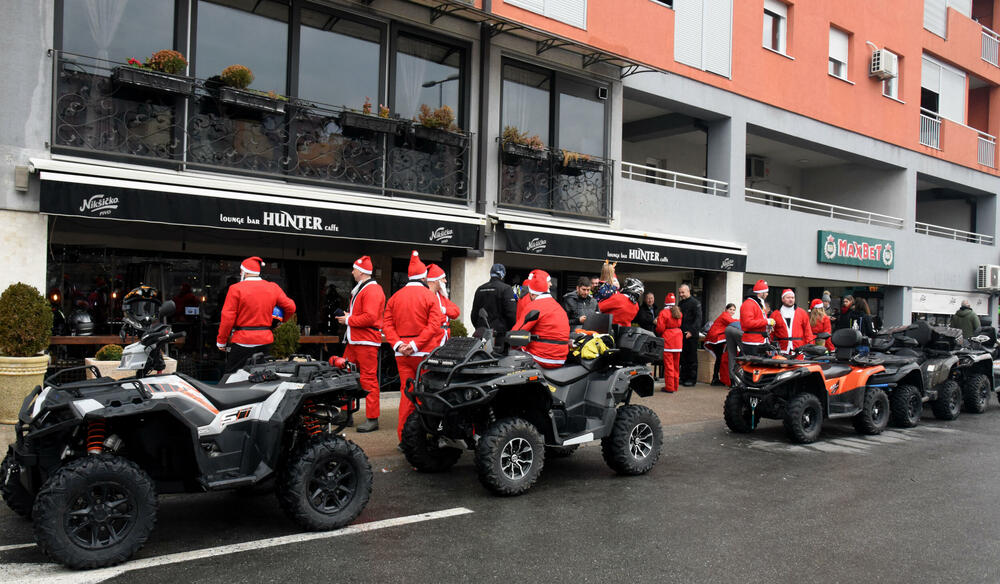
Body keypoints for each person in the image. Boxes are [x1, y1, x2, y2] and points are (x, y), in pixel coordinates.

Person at [383, 251, 446, 441]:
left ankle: (403, 437)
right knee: (425, 395)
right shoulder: (429, 297)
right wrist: (415, 345)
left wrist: (399, 344)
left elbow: (387, 324)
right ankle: (423, 438)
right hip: (424, 353)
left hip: (402, 355)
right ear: (424, 277)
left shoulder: (395, 297)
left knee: (406, 394)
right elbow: (434, 326)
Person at [216, 256, 296, 374]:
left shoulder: (236, 289)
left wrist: (221, 341)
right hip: (265, 341)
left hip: (243, 340)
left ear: (244, 272)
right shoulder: (273, 287)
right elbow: (291, 307)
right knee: (261, 377)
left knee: (231, 377)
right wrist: (282, 322)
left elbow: (228, 317)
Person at [336, 256, 385, 433]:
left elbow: (370, 317)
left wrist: (348, 318)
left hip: (365, 341)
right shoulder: (367, 289)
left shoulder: (371, 290)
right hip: (357, 339)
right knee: (346, 375)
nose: (352, 272)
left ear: (362, 271)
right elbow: (367, 315)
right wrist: (350, 317)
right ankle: (346, 412)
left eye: (354, 269)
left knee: (368, 380)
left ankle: (372, 418)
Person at [512, 269, 570, 368]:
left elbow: (516, 334)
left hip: (542, 358)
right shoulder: (557, 306)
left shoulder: (535, 306)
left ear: (533, 293)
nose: (551, 284)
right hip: (561, 359)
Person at [471, 263, 517, 339]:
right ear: (502, 274)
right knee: (499, 351)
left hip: (482, 334)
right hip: (499, 335)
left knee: (482, 350)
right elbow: (511, 314)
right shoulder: (506, 289)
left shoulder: (480, 289)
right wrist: (511, 330)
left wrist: (479, 328)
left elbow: (474, 314)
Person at [770, 289, 813, 355]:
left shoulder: (802, 313)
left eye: (792, 298)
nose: (791, 299)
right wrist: (770, 347)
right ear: (782, 299)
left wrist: (810, 346)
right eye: (788, 297)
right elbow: (771, 333)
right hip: (781, 349)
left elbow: (808, 331)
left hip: (798, 349)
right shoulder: (775, 314)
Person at [655, 293, 683, 393]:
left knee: (669, 365)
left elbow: (660, 328)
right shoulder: (678, 312)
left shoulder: (663, 312)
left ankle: (669, 387)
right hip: (678, 340)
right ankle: (675, 386)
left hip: (668, 339)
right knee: (676, 365)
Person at [704, 303, 737, 385]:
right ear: (726, 309)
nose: (732, 311)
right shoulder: (724, 315)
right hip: (716, 339)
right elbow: (733, 322)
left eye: (733, 310)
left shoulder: (725, 316)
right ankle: (715, 378)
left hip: (716, 339)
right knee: (720, 358)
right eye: (730, 309)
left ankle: (715, 378)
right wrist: (744, 321)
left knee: (719, 359)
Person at [427, 264, 460, 345]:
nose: (445, 281)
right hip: (432, 338)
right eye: (443, 278)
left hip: (444, 337)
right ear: (435, 280)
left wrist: (444, 310)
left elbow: (456, 312)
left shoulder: (441, 296)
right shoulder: (425, 295)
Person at [677, 284, 702, 386]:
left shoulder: (696, 303)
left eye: (682, 292)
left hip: (691, 335)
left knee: (691, 358)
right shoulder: (681, 303)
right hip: (682, 333)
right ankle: (683, 377)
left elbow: (698, 319)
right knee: (683, 358)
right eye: (679, 293)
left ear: (688, 291)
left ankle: (691, 379)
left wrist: (691, 331)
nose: (681, 294)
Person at [740, 279, 773, 356]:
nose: (767, 294)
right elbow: (748, 323)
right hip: (752, 343)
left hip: (759, 341)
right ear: (761, 293)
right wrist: (767, 322)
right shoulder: (749, 304)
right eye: (766, 292)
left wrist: (768, 326)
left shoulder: (756, 304)